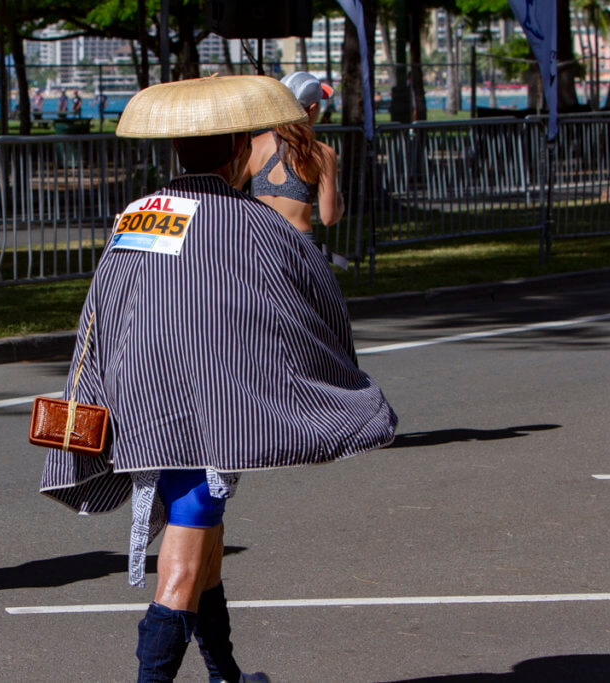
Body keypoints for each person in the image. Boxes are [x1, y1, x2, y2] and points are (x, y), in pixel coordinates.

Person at [39, 75, 397, 681]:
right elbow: (314, 308)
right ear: (239, 152)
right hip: (213, 412)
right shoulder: (258, 224)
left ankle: (226, 674)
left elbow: (102, 307)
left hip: (142, 401)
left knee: (204, 545)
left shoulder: (140, 213)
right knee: (181, 566)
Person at [238, 71, 343, 236]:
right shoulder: (322, 153)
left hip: (261, 242)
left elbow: (230, 189)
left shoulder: (257, 145)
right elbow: (328, 218)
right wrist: (340, 205)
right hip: (298, 244)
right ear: (313, 108)